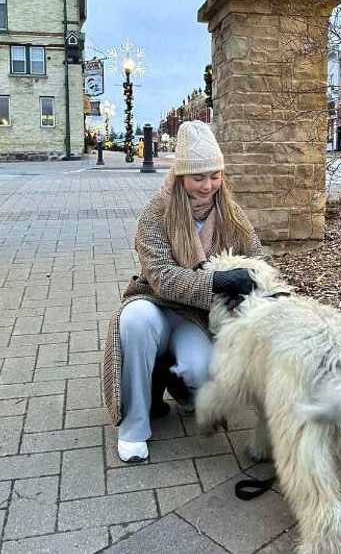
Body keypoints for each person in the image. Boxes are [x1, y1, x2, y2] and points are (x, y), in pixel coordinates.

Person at [101, 121, 263, 463]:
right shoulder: (155, 213)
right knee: (132, 321)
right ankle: (134, 426)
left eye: (215, 175)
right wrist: (217, 282)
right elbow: (161, 277)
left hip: (195, 315)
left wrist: (264, 286)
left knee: (202, 375)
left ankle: (176, 380)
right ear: (181, 177)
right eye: (198, 177)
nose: (208, 186)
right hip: (154, 305)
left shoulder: (231, 214)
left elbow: (257, 257)